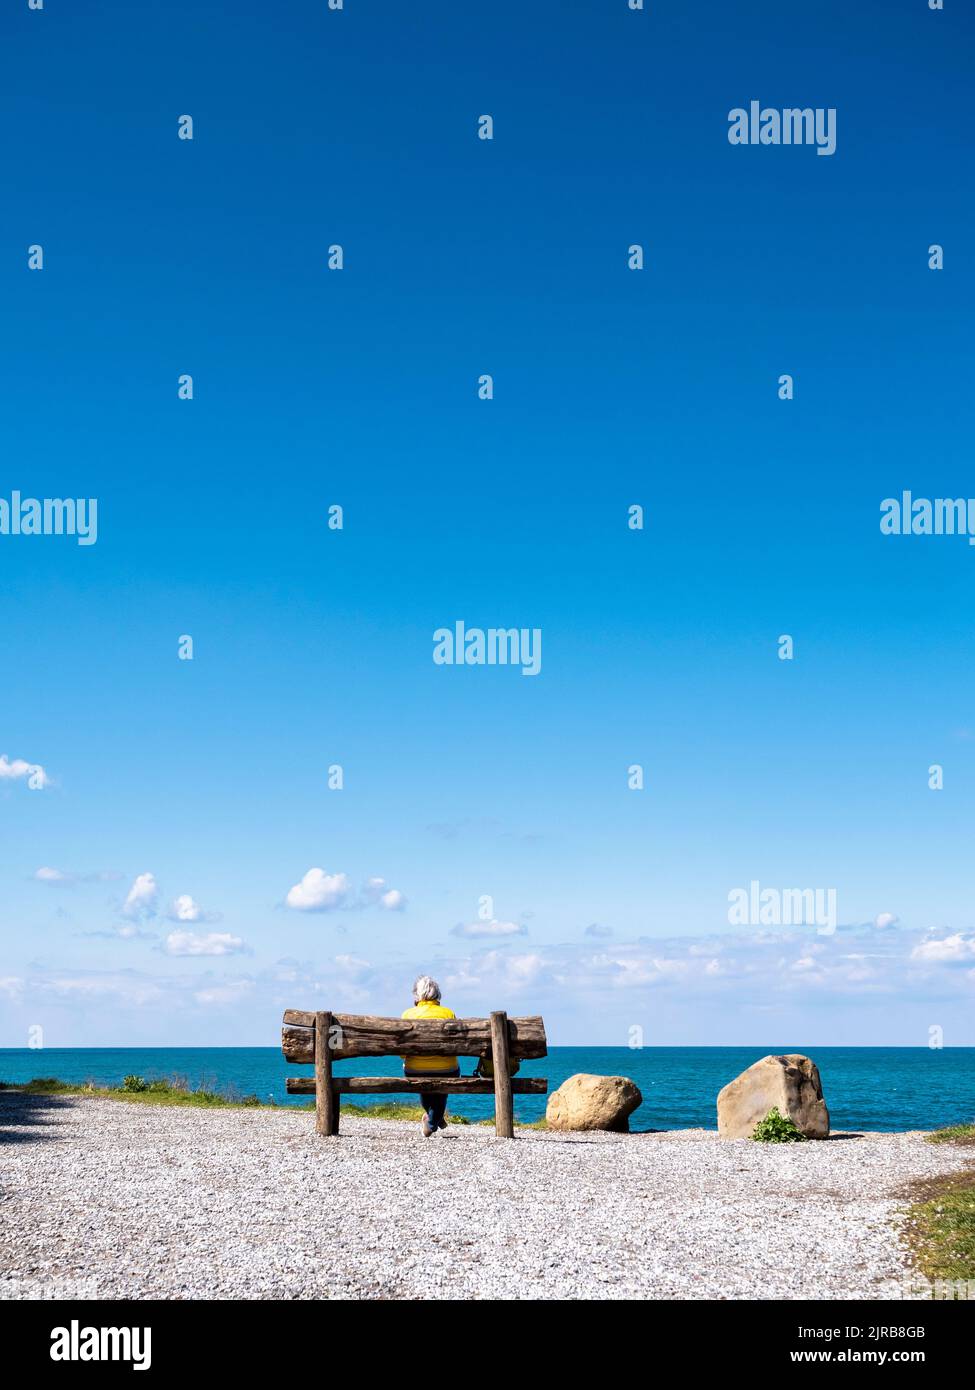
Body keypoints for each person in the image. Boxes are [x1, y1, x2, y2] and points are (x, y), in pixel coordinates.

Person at [401, 975, 458, 1137]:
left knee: (422, 1081)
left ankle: (433, 1120)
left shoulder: (407, 1015)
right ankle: (435, 1119)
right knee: (443, 1084)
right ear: (437, 994)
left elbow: (401, 1051)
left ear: (416, 995)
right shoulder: (448, 1013)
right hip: (447, 1069)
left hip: (416, 1070)